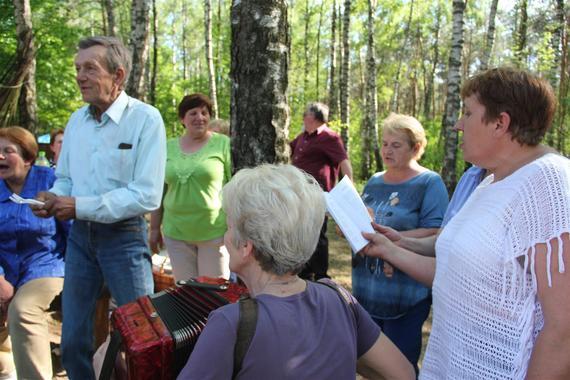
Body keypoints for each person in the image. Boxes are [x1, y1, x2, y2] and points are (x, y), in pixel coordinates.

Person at [363, 67, 570, 379]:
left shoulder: (550, 181)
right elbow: (454, 274)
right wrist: (389, 249)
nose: (458, 125)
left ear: (501, 123)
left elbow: (564, 326)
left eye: (468, 113)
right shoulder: (490, 183)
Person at [177, 164, 415, 380]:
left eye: (228, 227)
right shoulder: (339, 298)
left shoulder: (229, 323)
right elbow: (403, 373)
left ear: (246, 245)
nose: (225, 237)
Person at [32, 36, 166, 380]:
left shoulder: (145, 120)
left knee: (146, 339)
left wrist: (80, 205)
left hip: (124, 237)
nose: (80, 76)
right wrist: (52, 196)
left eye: (90, 68)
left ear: (117, 75)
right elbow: (65, 179)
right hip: (80, 239)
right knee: (73, 339)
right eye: (78, 68)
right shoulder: (77, 121)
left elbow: (147, 195)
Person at [351, 113, 448, 372]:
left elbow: (436, 232)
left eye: (396, 145)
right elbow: (365, 221)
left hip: (405, 291)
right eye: (384, 143)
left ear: (416, 148)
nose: (387, 150)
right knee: (370, 365)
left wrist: (394, 239)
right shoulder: (374, 181)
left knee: (400, 367)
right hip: (367, 287)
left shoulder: (429, 182)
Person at [0, 127, 69, 379]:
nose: (0, 157)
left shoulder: (50, 181)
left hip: (46, 267)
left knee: (23, 309)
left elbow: (72, 231)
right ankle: (7, 366)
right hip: (4, 272)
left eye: (8, 151)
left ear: (28, 158)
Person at [149, 93, 231, 281]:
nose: (200, 117)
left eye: (204, 112)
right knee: (186, 295)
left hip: (214, 233)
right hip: (176, 232)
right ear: (182, 119)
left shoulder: (223, 144)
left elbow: (233, 188)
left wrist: (235, 229)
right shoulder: (167, 147)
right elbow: (158, 190)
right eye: (193, 113)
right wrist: (154, 229)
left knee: (215, 292)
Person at [290, 102, 353, 281]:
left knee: (318, 235)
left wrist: (349, 192)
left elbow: (344, 162)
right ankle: (304, 271)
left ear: (314, 117)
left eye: (305, 113)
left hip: (318, 195)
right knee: (301, 232)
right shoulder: (303, 137)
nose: (303, 116)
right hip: (298, 195)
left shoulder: (329, 137)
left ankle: (320, 275)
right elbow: (287, 149)